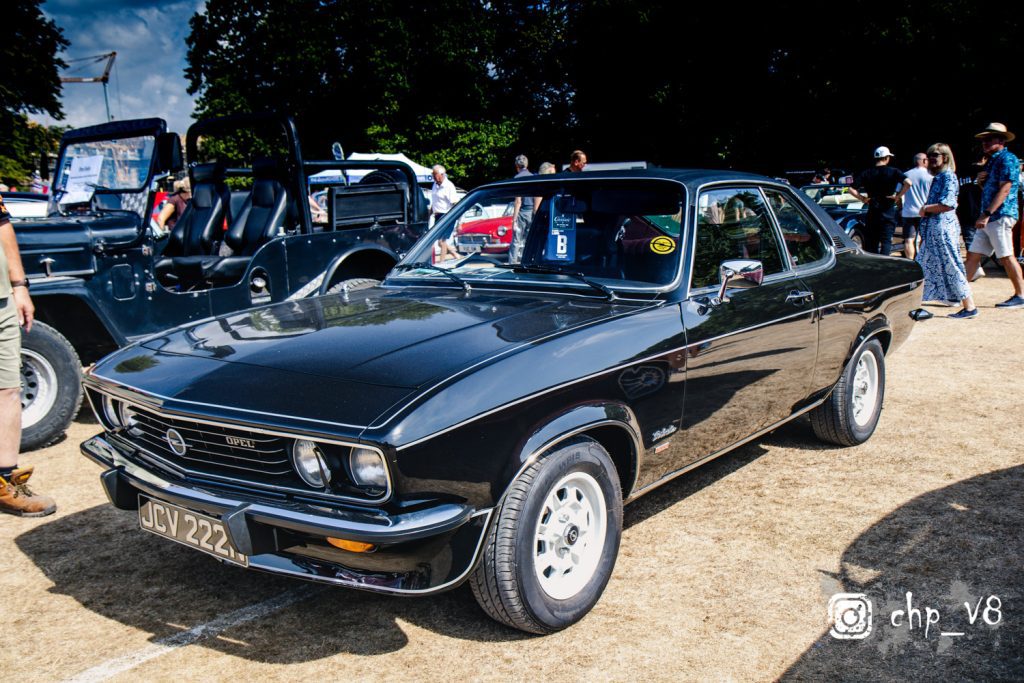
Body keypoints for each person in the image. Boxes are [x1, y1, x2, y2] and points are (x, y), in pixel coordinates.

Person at [0, 194, 55, 517]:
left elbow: (2, 223)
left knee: (8, 388)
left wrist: (19, 285)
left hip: (1, 298)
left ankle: (5, 482)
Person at [963, 123, 1024, 307]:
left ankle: (1021, 295)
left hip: (999, 215)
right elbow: (992, 190)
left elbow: (1005, 189)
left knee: (1006, 256)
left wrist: (987, 213)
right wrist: (982, 183)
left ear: (1001, 140)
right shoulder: (992, 161)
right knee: (973, 255)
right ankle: (959, 293)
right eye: (984, 139)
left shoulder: (1008, 159)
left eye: (989, 139)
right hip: (991, 216)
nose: (985, 142)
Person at [915, 144, 976, 318]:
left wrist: (925, 208)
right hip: (935, 229)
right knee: (922, 266)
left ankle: (970, 306)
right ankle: (914, 305)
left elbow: (948, 204)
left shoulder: (948, 177)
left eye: (935, 155)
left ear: (945, 157)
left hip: (942, 228)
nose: (931, 158)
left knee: (951, 265)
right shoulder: (940, 177)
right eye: (929, 155)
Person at [848, 146, 911, 255]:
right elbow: (908, 183)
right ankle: (884, 262)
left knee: (872, 242)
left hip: (872, 210)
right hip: (888, 210)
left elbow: (851, 189)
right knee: (886, 241)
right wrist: (898, 196)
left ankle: (874, 262)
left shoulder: (866, 172)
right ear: (886, 158)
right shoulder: (893, 171)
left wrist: (862, 198)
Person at [900, 153, 932, 260]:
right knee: (924, 238)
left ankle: (910, 262)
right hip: (925, 212)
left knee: (908, 239)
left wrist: (900, 208)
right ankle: (922, 260)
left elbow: (898, 194)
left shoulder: (905, 175)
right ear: (924, 161)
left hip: (908, 212)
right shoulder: (930, 176)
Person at [510, 155, 537, 263]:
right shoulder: (534, 177)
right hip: (533, 212)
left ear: (517, 166)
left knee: (516, 241)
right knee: (529, 241)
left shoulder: (517, 178)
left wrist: (514, 220)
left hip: (522, 212)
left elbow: (518, 201)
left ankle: (512, 264)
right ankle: (528, 262)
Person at [430, 165, 460, 260]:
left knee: (442, 241)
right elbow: (435, 201)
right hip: (438, 216)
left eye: (435, 174)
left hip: (447, 215)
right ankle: (455, 254)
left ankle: (441, 262)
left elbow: (455, 203)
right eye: (433, 174)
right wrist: (430, 212)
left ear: (442, 175)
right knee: (440, 242)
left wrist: (457, 220)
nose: (433, 176)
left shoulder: (448, 186)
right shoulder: (435, 185)